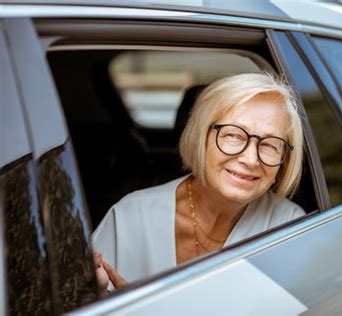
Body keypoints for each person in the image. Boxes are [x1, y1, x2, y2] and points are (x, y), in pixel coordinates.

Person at [93, 72, 305, 294]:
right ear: (200, 136)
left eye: (270, 145)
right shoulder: (131, 216)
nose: (250, 159)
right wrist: (97, 293)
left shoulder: (291, 228)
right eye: (233, 135)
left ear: (285, 159)